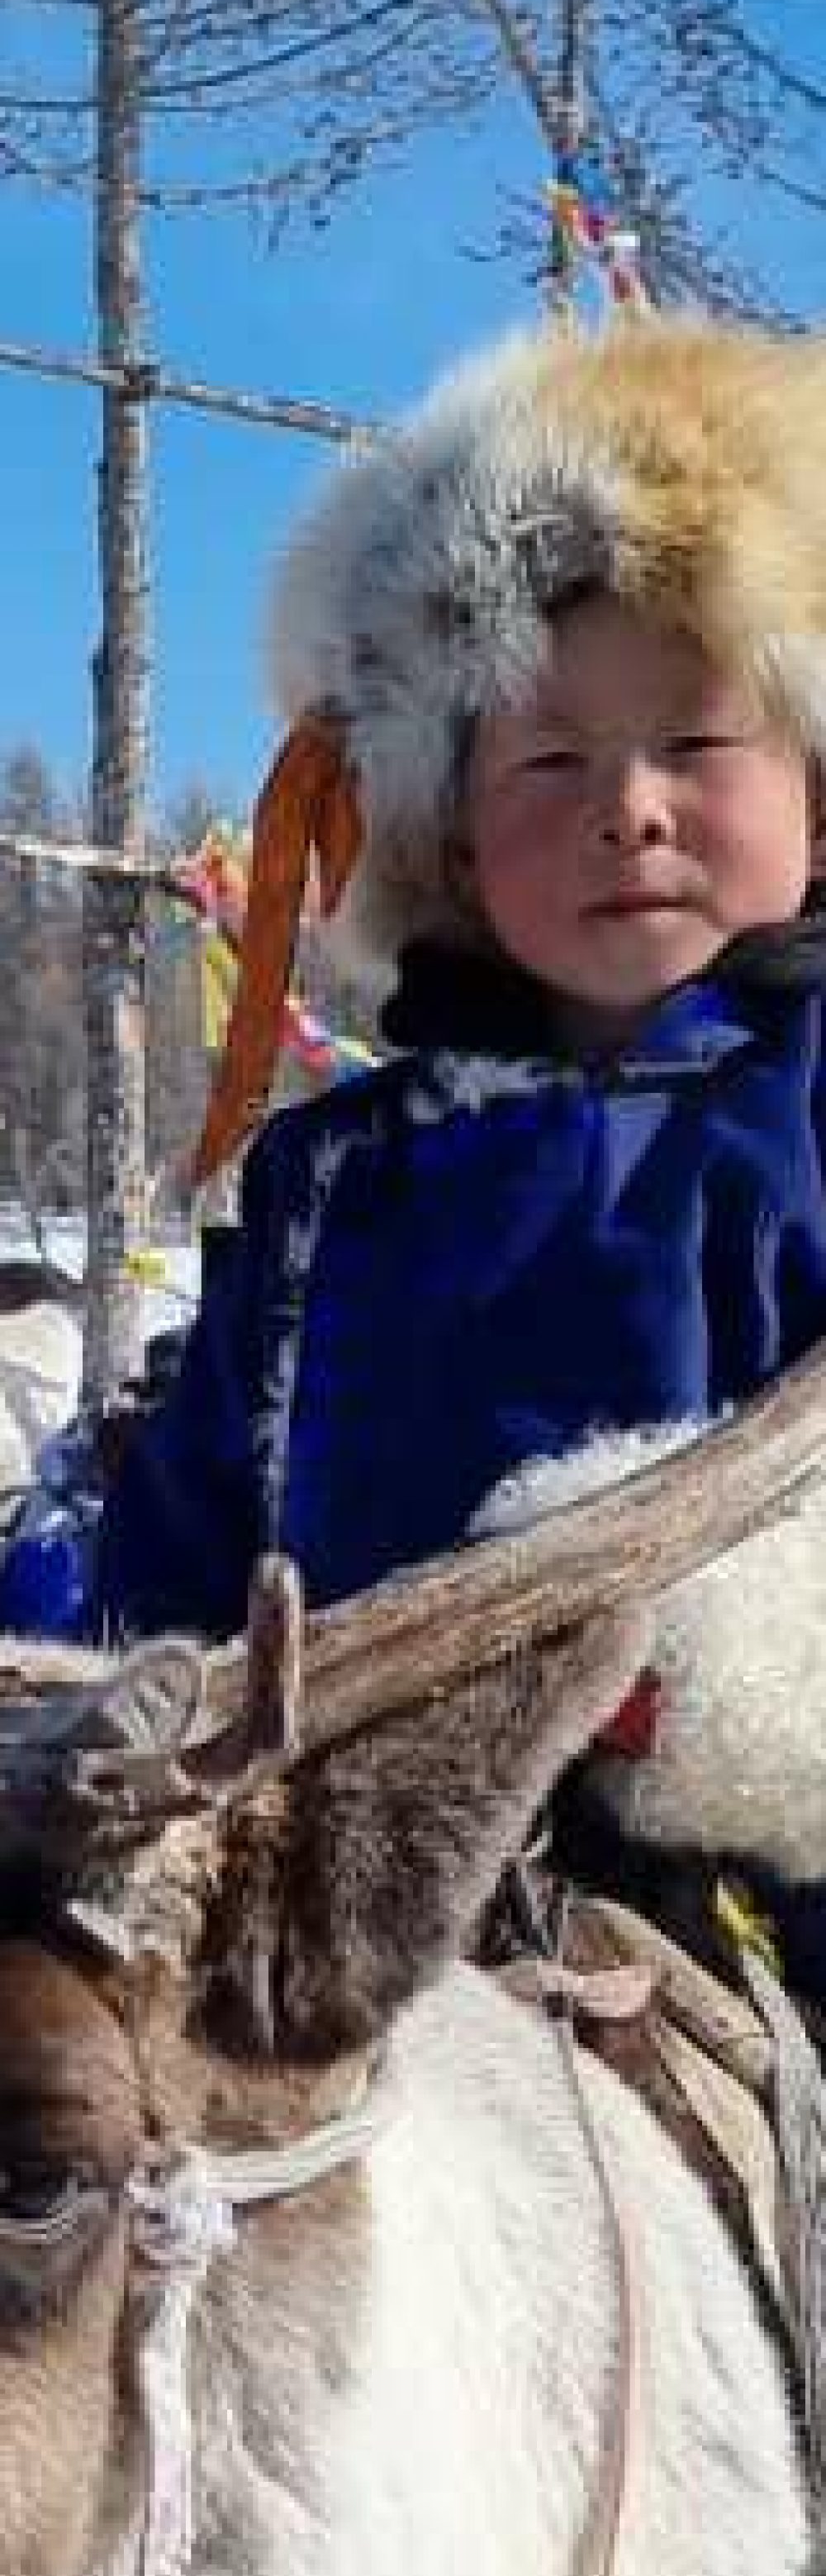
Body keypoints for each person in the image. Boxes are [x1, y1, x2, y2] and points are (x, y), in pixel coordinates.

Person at [3, 296, 826, 2027]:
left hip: (741, 1926)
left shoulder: (803, 1122)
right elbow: (202, 1519)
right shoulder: (339, 1182)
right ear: (444, 829)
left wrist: (734, 1682)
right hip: (307, 1911)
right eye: (550, 757)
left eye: (693, 743)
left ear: (816, 793)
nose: (628, 805)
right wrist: (109, 1678)